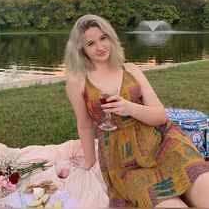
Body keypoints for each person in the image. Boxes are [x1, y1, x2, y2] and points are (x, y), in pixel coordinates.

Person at [64, 14, 209, 208]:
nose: (100, 47)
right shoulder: (77, 82)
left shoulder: (131, 70)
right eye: (91, 43)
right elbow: (84, 125)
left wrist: (129, 107)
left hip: (163, 143)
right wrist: (89, 162)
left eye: (103, 38)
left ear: (111, 38)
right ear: (81, 48)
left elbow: (160, 116)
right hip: (125, 160)